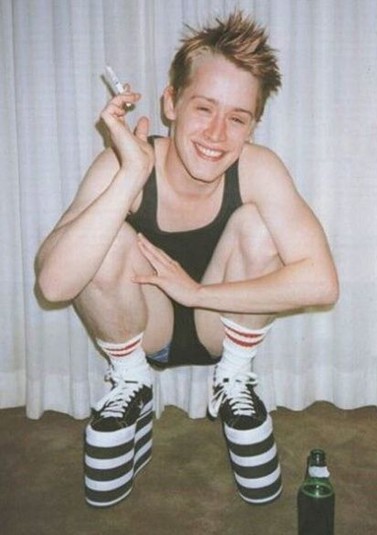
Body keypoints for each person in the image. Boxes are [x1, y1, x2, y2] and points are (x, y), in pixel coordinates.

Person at [36, 11, 339, 508]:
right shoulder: (125, 161)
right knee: (101, 233)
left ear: (252, 126)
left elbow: (321, 283)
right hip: (141, 329)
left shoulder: (260, 168)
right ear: (171, 103)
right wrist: (130, 174)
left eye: (237, 118)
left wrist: (197, 293)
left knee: (260, 227)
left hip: (221, 327)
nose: (217, 134)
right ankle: (131, 382)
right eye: (204, 108)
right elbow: (53, 284)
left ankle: (235, 379)